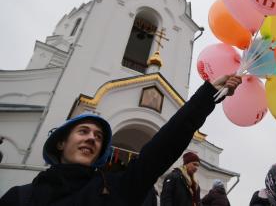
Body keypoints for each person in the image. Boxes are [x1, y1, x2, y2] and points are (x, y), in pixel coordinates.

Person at [0, 75, 242, 206]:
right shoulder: (20, 197)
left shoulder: (114, 189)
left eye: (99, 137)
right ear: (61, 142)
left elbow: (163, 147)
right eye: (83, 131)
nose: (92, 138)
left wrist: (208, 94)